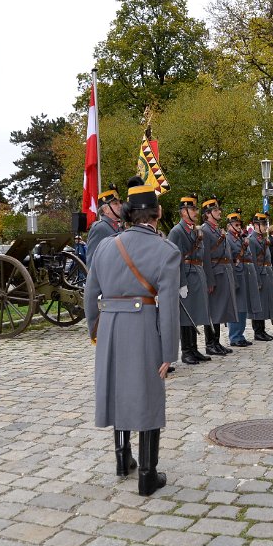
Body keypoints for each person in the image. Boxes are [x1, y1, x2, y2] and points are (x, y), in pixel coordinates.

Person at [84, 178, 180, 495]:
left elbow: (90, 294)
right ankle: (148, 475)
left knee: (118, 390)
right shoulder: (166, 250)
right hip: (144, 327)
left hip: (110, 327)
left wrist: (96, 331)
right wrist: (169, 352)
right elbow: (169, 307)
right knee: (148, 394)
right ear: (158, 212)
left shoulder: (105, 246)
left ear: (127, 213)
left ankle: (122, 459)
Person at [168, 195, 213, 365]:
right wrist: (181, 283)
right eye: (192, 209)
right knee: (186, 315)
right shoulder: (177, 231)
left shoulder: (194, 230)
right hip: (186, 275)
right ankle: (186, 351)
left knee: (194, 313)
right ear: (183, 212)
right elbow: (175, 259)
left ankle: (194, 349)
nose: (195, 212)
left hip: (197, 273)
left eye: (195, 209)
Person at [199, 197, 238, 357]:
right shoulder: (205, 230)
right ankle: (210, 344)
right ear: (208, 214)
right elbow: (205, 257)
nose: (219, 212)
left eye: (218, 209)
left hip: (223, 272)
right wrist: (210, 280)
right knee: (212, 310)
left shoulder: (215, 229)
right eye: (215, 210)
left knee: (220, 308)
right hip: (215, 272)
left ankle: (216, 341)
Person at [226, 209, 258, 347]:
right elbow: (229, 259)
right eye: (236, 225)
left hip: (243, 273)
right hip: (236, 274)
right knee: (238, 307)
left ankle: (240, 334)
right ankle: (234, 336)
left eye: (240, 225)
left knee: (243, 306)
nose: (239, 227)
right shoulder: (228, 239)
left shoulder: (240, 237)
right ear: (229, 226)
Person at [248, 213, 273, 339]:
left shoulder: (263, 239)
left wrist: (272, 275)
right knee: (258, 303)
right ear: (256, 225)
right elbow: (253, 261)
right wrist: (257, 280)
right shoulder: (252, 239)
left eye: (266, 224)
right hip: (259, 273)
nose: (266, 227)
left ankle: (262, 330)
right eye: (263, 224)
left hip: (267, 273)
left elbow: (268, 258)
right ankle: (258, 331)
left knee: (265, 303)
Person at [87, 185, 124, 260]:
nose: (120, 206)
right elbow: (92, 260)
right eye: (115, 203)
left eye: (120, 203)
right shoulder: (99, 228)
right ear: (105, 209)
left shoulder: (119, 226)